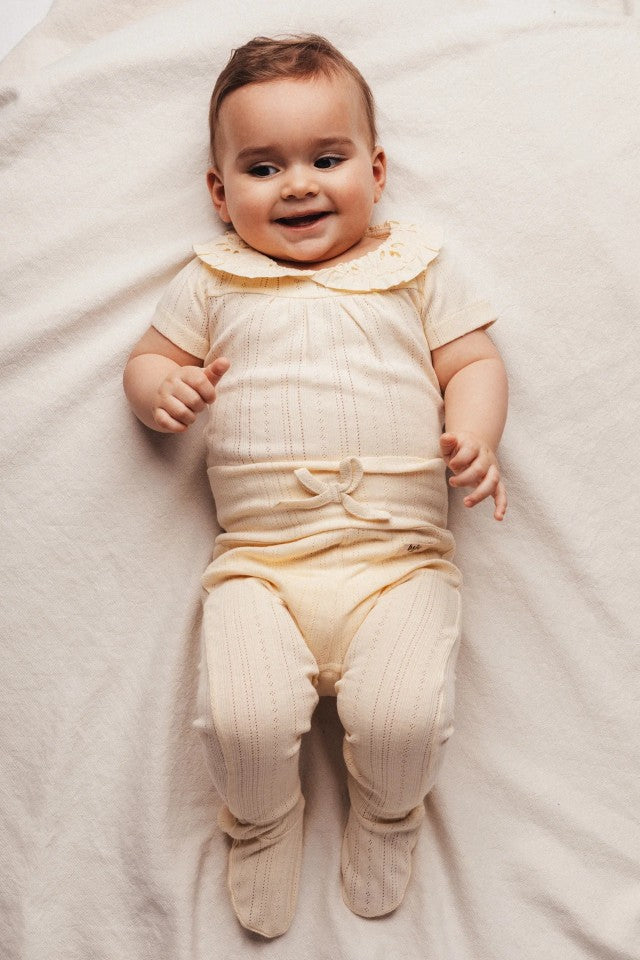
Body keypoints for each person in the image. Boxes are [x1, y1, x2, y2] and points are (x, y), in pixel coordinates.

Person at [123, 34, 508, 938]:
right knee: (242, 721)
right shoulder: (214, 279)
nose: (297, 185)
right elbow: (148, 358)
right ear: (219, 193)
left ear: (376, 170)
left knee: (405, 717)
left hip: (399, 564)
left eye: (326, 160)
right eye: (263, 168)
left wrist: (476, 434)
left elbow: (474, 360)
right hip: (262, 567)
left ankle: (389, 810)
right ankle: (261, 818)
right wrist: (160, 391)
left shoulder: (414, 267)